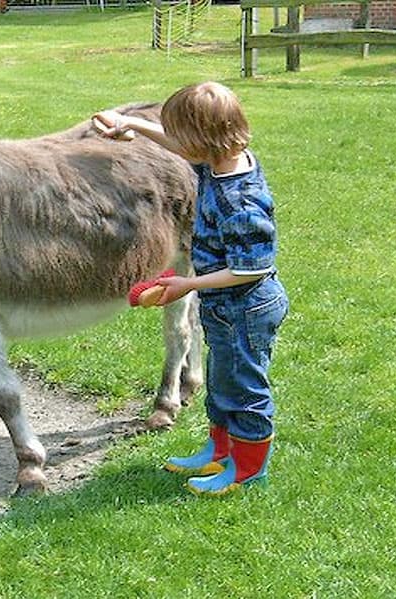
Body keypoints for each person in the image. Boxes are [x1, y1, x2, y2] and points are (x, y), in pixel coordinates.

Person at [94, 82, 289, 496]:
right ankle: (220, 451)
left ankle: (249, 470)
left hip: (247, 307)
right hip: (225, 307)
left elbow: (251, 269)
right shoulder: (218, 162)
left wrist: (188, 284)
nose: (177, 147)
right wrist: (129, 122)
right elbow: (180, 147)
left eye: (182, 137)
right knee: (220, 385)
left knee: (245, 390)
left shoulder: (242, 200)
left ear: (203, 141)